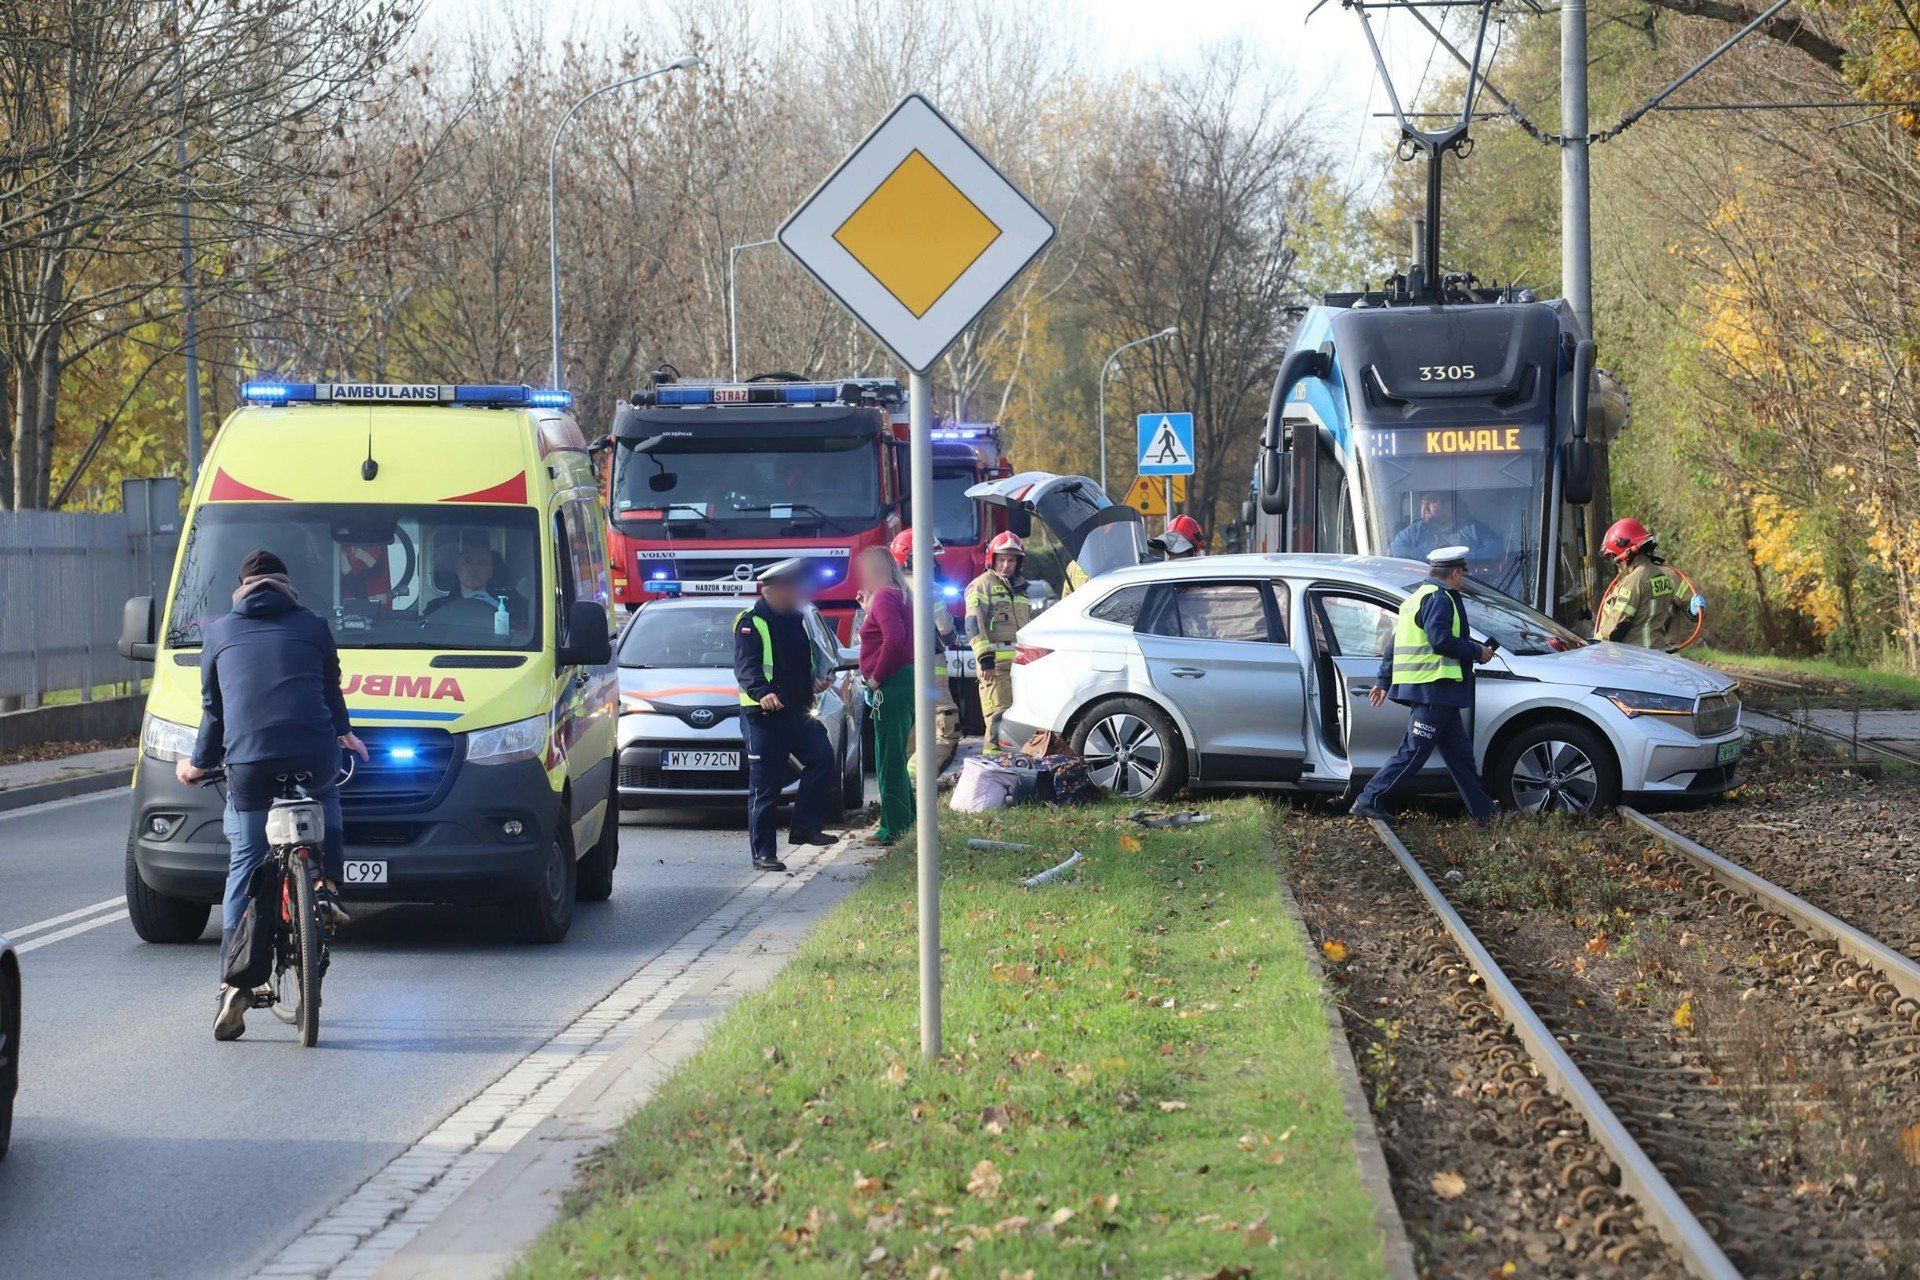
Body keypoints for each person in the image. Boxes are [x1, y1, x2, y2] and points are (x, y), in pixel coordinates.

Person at [176, 550, 369, 1041]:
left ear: (242, 589)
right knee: (326, 798)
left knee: (245, 857)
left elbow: (214, 711)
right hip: (312, 752)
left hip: (250, 762)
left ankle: (231, 983)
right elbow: (330, 691)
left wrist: (196, 764)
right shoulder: (315, 626)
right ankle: (324, 888)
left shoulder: (218, 632)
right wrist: (343, 733)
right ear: (286, 586)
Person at [1349, 546, 1500, 826]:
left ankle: (1486, 816)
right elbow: (1441, 641)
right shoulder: (1440, 599)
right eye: (1462, 574)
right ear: (1454, 573)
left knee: (1461, 758)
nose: (1463, 579)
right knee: (1413, 752)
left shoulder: (1417, 597)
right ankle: (1369, 799)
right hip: (1434, 689)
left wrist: (1384, 680)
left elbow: (1394, 645)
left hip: (1437, 693)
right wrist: (1476, 651)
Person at [734, 558, 838, 872]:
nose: (797, 595)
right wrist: (762, 692)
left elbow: (796, 665)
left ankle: (805, 827)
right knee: (766, 786)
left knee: (822, 759)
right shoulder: (750, 620)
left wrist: (814, 682)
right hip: (763, 716)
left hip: (797, 711)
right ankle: (763, 853)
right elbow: (747, 666)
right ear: (773, 590)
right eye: (793, 590)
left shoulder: (796, 619)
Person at [856, 546, 914, 845]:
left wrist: (876, 678)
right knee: (895, 755)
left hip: (890, 684)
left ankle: (892, 828)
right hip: (904, 680)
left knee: (887, 758)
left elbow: (894, 639)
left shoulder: (885, 596)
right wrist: (870, 611)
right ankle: (907, 820)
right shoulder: (896, 594)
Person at [890, 529, 960, 774]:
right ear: (910, 558)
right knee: (946, 725)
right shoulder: (928, 586)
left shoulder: (887, 588)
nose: (932, 562)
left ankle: (909, 788)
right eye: (927, 557)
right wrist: (952, 632)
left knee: (913, 728)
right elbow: (944, 627)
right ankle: (917, 779)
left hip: (900, 670)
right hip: (931, 665)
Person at [965, 531, 1032, 755]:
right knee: (998, 722)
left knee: (1018, 723)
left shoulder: (1022, 589)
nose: (1006, 565)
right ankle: (990, 774)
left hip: (1021, 667)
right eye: (1001, 559)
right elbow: (974, 624)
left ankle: (1012, 773)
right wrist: (985, 660)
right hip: (994, 668)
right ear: (992, 559)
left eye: (1011, 560)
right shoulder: (981, 585)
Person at [1596, 518, 1702, 649]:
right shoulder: (1659, 575)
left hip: (1634, 656)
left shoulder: (1636, 580)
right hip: (1657, 651)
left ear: (1624, 553)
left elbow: (1616, 626)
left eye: (1613, 556)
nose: (1615, 562)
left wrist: (1595, 642)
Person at [1388, 491, 1501, 565]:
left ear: (1448, 506)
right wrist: (1432, 553)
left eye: (1431, 501)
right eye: (1423, 503)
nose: (1424, 508)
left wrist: (1459, 556)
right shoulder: (1414, 531)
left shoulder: (1471, 528)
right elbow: (1393, 551)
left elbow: (1497, 548)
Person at [424, 544, 516, 626]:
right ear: (457, 569)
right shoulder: (436, 607)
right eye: (468, 562)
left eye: (482, 562)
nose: (474, 568)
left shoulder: (512, 604)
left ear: (490, 572)